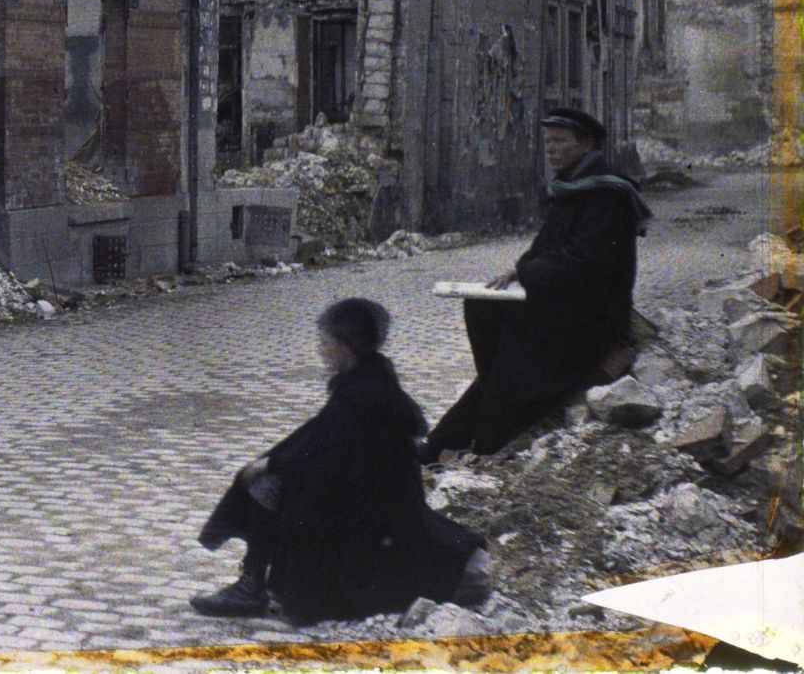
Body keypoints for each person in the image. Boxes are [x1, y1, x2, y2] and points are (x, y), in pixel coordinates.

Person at [190, 298, 488, 624]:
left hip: (365, 509)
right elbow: (320, 439)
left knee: (264, 485)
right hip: (368, 496)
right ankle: (254, 581)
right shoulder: (368, 380)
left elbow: (326, 455)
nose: (321, 349)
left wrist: (274, 465)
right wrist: (276, 459)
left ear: (347, 347)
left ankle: (253, 587)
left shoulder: (363, 395)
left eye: (326, 341)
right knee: (267, 474)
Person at [421, 106, 651, 461]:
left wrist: (530, 272)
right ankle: (441, 444)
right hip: (567, 303)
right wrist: (520, 271)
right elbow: (544, 250)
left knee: (514, 358)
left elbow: (585, 263)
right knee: (484, 309)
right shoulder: (573, 187)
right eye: (548, 142)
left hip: (594, 318)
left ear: (587, 143)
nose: (551, 149)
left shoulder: (608, 195)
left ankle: (487, 443)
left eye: (560, 141)